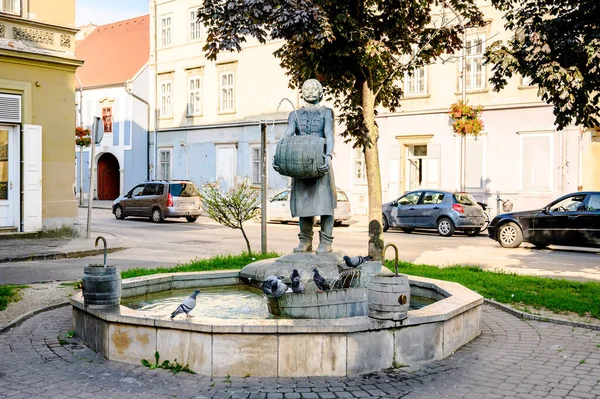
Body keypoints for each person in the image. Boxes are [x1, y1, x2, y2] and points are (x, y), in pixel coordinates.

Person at [274, 79, 337, 253]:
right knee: (303, 205)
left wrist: (329, 155)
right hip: (300, 165)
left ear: (320, 92)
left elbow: (329, 135)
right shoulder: (294, 115)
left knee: (325, 204)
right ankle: (305, 240)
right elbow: (287, 135)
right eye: (306, 89)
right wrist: (279, 155)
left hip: (320, 162)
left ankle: (326, 242)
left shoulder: (326, 113)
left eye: (313, 89)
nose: (309, 92)